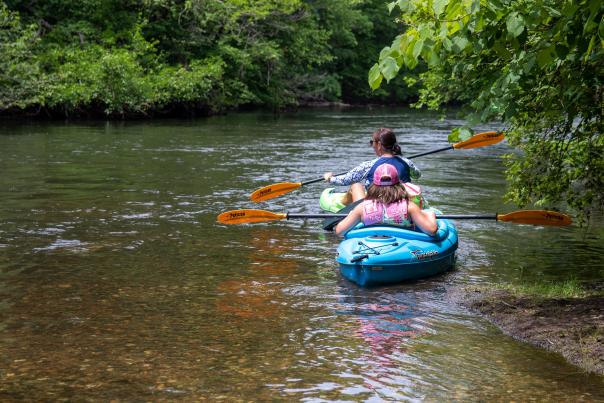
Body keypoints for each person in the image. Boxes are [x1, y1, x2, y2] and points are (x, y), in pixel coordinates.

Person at [335, 163, 437, 237]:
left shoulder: (362, 208)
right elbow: (431, 231)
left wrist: (352, 214)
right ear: (399, 185)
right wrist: (430, 215)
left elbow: (339, 231)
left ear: (374, 186)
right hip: (401, 245)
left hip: (371, 245)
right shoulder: (409, 207)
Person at [324, 128, 421, 204]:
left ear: (379, 145)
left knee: (356, 186)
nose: (372, 145)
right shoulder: (407, 162)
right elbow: (417, 175)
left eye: (372, 142)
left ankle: (342, 207)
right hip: (402, 203)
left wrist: (330, 178)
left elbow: (346, 180)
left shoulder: (368, 166)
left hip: (375, 206)